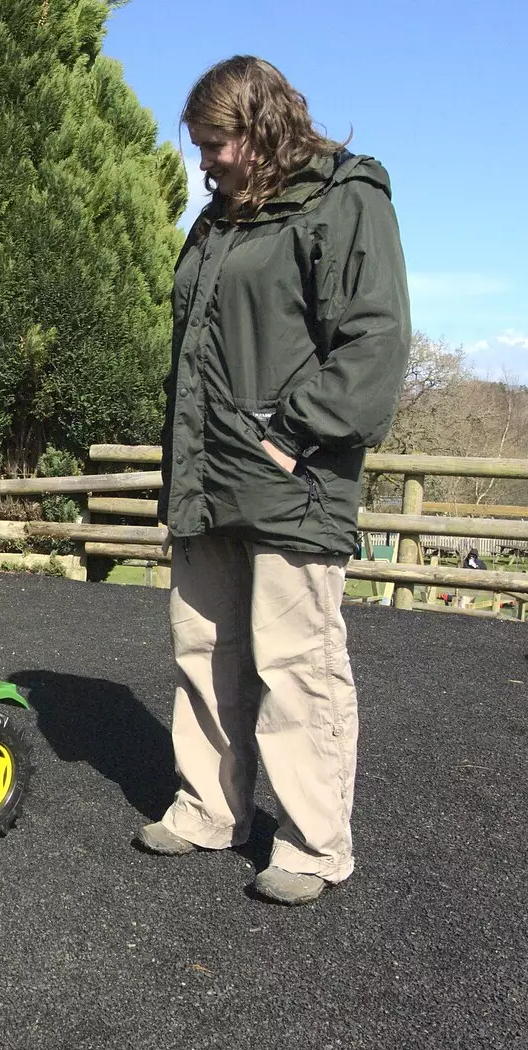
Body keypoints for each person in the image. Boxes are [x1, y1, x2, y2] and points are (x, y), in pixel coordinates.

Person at [140, 56, 410, 906]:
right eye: (200, 148)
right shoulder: (218, 219)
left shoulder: (345, 199)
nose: (204, 162)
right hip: (207, 475)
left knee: (297, 663)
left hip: (292, 479)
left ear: (260, 128)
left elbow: (374, 342)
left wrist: (292, 437)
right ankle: (208, 807)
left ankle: (312, 843)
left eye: (215, 144)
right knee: (203, 649)